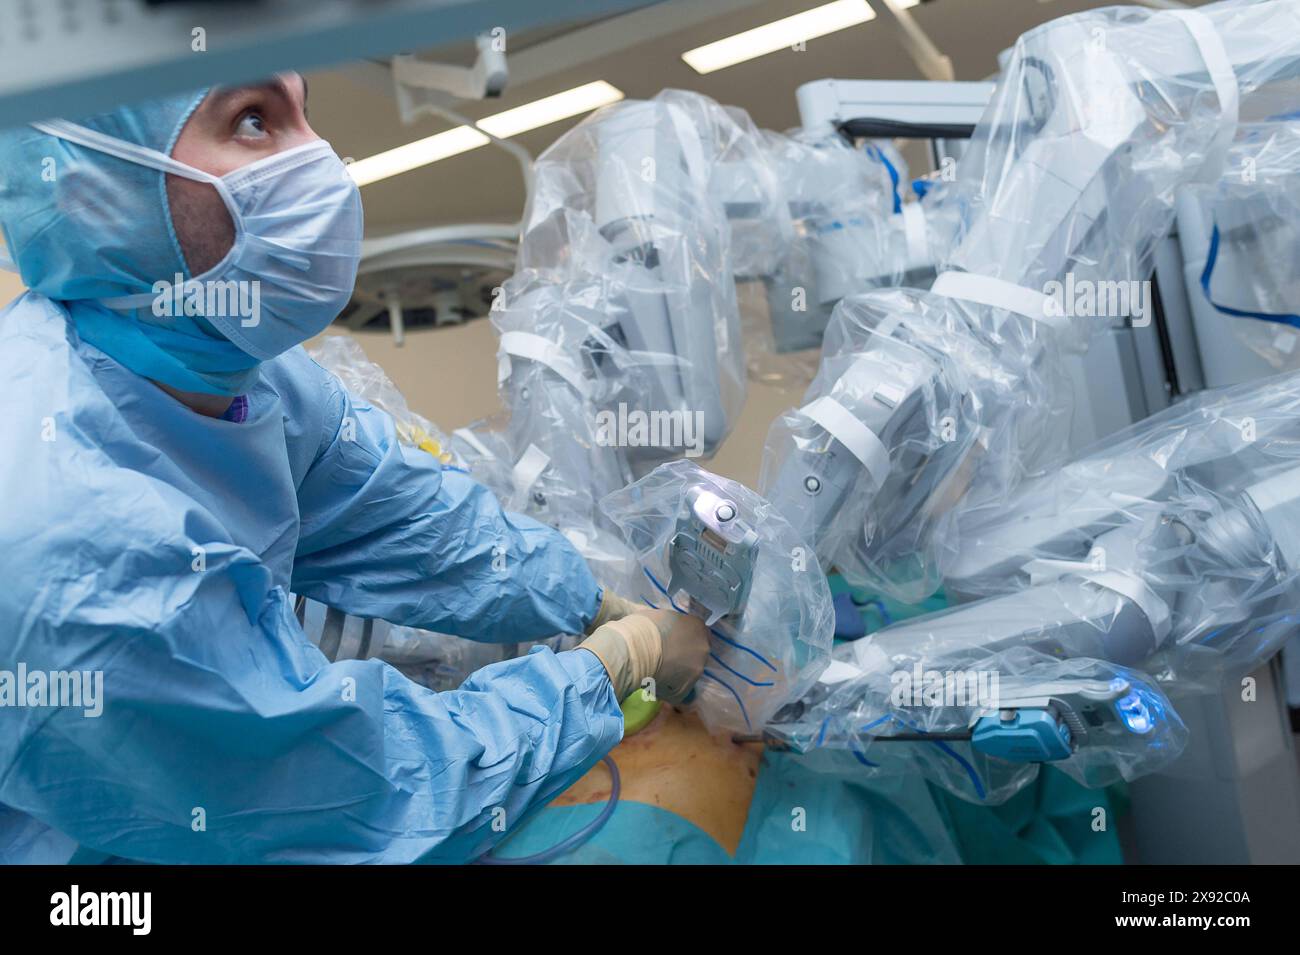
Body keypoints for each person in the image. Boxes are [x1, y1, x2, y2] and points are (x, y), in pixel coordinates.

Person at [0, 73, 709, 864]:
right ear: (100, 194)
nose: (324, 163)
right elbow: (360, 789)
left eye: (308, 113)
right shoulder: (67, 535)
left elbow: (403, 513)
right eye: (254, 121)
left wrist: (586, 597)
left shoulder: (230, 369)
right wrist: (610, 669)